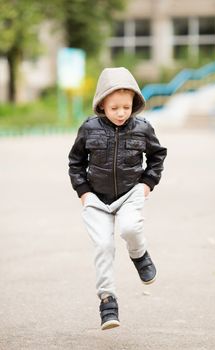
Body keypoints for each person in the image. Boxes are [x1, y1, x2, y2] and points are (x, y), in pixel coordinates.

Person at [68, 67, 167, 330]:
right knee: (103, 246)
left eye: (126, 106)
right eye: (115, 108)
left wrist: (147, 183)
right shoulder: (89, 128)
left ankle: (139, 255)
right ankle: (107, 301)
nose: (122, 113)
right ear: (102, 104)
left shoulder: (143, 128)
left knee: (130, 228)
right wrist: (83, 191)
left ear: (134, 103)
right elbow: (75, 162)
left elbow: (157, 156)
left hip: (130, 193)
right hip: (96, 199)